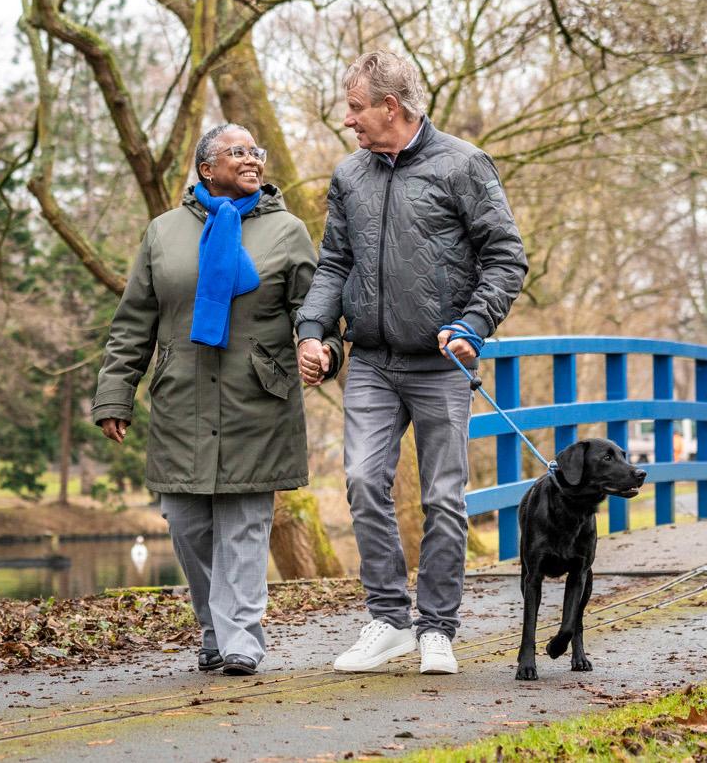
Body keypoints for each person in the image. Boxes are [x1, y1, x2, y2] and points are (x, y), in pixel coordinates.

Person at [296, 50, 529, 675]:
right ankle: (390, 620)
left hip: (438, 362)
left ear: (390, 107)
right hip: (371, 359)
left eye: (355, 107)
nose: (348, 121)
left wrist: (475, 325)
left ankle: (438, 629)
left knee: (444, 498)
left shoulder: (464, 165)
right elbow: (334, 265)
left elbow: (506, 259)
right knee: (362, 482)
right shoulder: (349, 176)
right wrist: (314, 330)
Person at [93, 123, 342, 676]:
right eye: (237, 152)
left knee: (245, 522)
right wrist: (116, 393)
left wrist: (321, 348)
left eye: (256, 151)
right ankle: (213, 628)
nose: (252, 159)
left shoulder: (286, 230)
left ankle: (240, 639)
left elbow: (317, 309)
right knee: (186, 522)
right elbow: (135, 321)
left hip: (257, 398)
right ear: (207, 167)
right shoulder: (164, 233)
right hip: (181, 398)